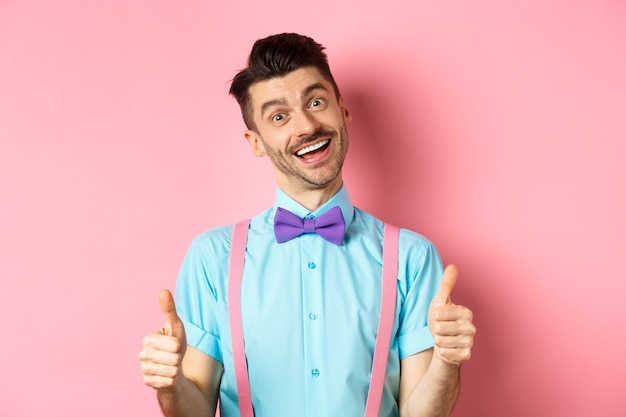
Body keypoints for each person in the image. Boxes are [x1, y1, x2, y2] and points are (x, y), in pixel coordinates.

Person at [139, 33, 476, 417]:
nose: (307, 126)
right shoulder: (212, 257)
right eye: (279, 117)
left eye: (316, 102)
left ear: (342, 110)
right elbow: (193, 411)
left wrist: (448, 364)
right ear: (256, 141)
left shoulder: (413, 258)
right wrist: (170, 385)